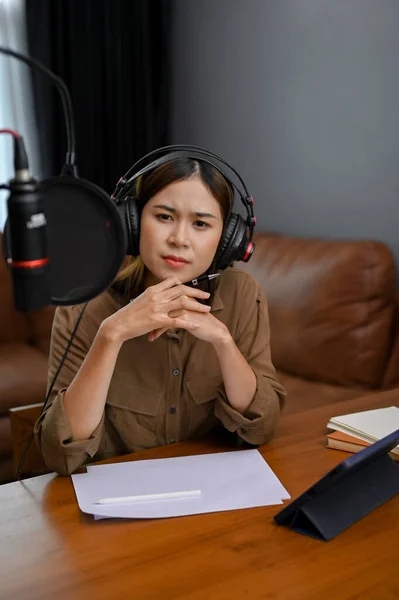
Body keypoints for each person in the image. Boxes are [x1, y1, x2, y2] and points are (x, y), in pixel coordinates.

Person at [34, 152, 286, 476]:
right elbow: (59, 454)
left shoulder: (243, 295)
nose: (179, 239)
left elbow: (261, 427)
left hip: (213, 495)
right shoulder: (83, 303)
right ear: (133, 222)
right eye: (164, 216)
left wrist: (224, 342)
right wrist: (111, 335)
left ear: (226, 240)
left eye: (200, 224)